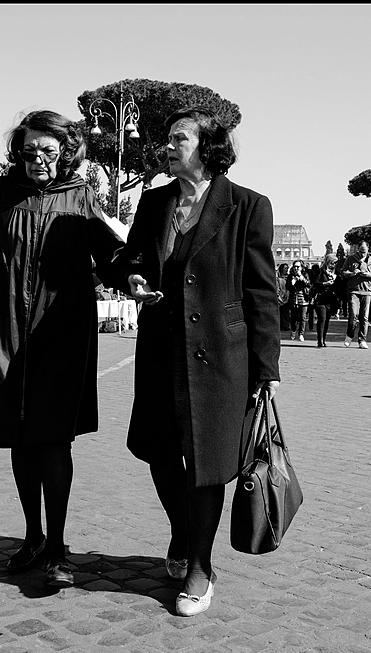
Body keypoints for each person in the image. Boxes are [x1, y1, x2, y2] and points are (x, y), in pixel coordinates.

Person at [0, 110, 124, 588]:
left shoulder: (81, 196)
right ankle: (32, 535)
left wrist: (132, 279)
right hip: (7, 329)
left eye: (48, 151)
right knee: (19, 436)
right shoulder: (2, 193)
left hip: (61, 332)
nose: (38, 159)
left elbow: (109, 256)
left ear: (65, 153)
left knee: (54, 438)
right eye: (29, 150)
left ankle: (57, 548)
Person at [114, 106, 280, 617]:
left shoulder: (248, 206)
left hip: (220, 358)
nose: (168, 146)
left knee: (207, 465)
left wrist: (266, 368)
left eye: (179, 138)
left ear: (208, 147)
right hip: (161, 352)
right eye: (167, 138)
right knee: (161, 453)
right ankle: (183, 532)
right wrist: (133, 279)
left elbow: (261, 291)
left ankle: (200, 568)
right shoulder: (154, 201)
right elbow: (131, 259)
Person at [341, 241, 371, 349]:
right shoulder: (350, 259)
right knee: (353, 314)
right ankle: (349, 335)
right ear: (358, 249)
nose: (363, 253)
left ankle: (362, 340)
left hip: (367, 291)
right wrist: (352, 273)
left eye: (364, 251)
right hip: (353, 290)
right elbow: (343, 273)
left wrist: (369, 275)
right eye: (361, 251)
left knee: (365, 317)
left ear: (368, 249)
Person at [312, 253, 338, 347]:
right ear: (327, 262)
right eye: (332, 263)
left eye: (335, 263)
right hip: (320, 298)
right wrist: (325, 283)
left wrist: (336, 280)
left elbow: (339, 286)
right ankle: (320, 340)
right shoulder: (321, 271)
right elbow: (315, 283)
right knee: (322, 319)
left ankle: (324, 339)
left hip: (330, 299)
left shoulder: (336, 273)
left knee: (327, 320)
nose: (333, 265)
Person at [286, 260, 312, 342]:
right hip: (294, 299)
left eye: (298, 266)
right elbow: (288, 286)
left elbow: (309, 284)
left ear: (301, 267)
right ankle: (293, 330)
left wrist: (301, 277)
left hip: (303, 299)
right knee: (293, 318)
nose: (296, 268)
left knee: (302, 318)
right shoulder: (290, 276)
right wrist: (292, 282)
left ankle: (301, 334)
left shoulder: (305, 274)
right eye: (295, 266)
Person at [276, 263, 290, 332]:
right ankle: (280, 325)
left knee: (285, 312)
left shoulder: (289, 277)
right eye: (285, 268)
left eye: (287, 268)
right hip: (280, 295)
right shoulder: (278, 278)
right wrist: (278, 295)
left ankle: (285, 325)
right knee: (280, 312)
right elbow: (277, 287)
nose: (286, 270)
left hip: (287, 295)